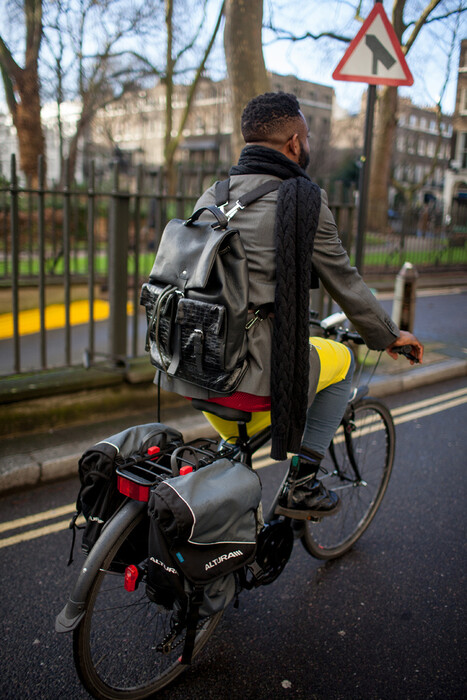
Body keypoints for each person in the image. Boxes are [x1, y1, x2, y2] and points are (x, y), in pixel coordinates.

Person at [159, 92, 424, 519]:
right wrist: (390, 336)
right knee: (343, 360)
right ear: (295, 143)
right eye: (307, 134)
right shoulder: (303, 199)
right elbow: (345, 281)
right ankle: (302, 484)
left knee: (238, 439)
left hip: (192, 369)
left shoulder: (213, 195)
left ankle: (232, 466)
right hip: (252, 377)